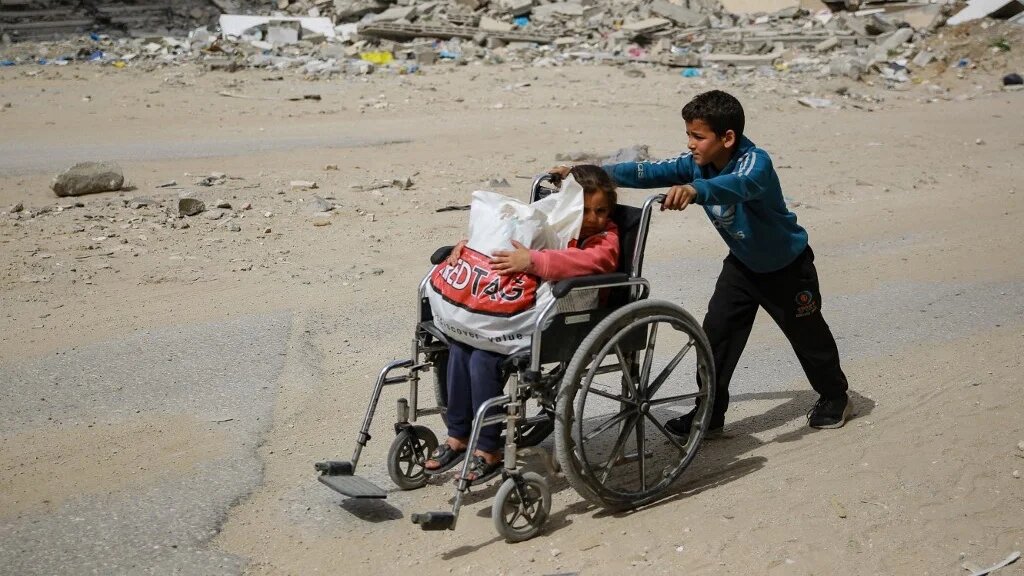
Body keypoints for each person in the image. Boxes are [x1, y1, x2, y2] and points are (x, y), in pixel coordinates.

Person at [550, 90, 852, 437]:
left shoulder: (756, 163)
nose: (691, 144)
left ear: (727, 138)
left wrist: (696, 190)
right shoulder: (696, 163)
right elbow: (647, 171)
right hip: (742, 266)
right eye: (689, 135)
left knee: (808, 337)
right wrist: (585, 172)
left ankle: (834, 396)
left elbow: (738, 185)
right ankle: (709, 411)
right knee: (715, 339)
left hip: (787, 267)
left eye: (698, 136)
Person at [424, 165, 620, 483]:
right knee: (461, 348)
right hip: (530, 311)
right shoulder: (555, 226)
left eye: (602, 211)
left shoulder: (604, 238)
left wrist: (533, 261)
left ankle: (488, 449)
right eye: (585, 211)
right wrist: (471, 248)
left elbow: (593, 262)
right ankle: (458, 435)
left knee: (484, 360)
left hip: (569, 317)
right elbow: (505, 238)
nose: (594, 218)